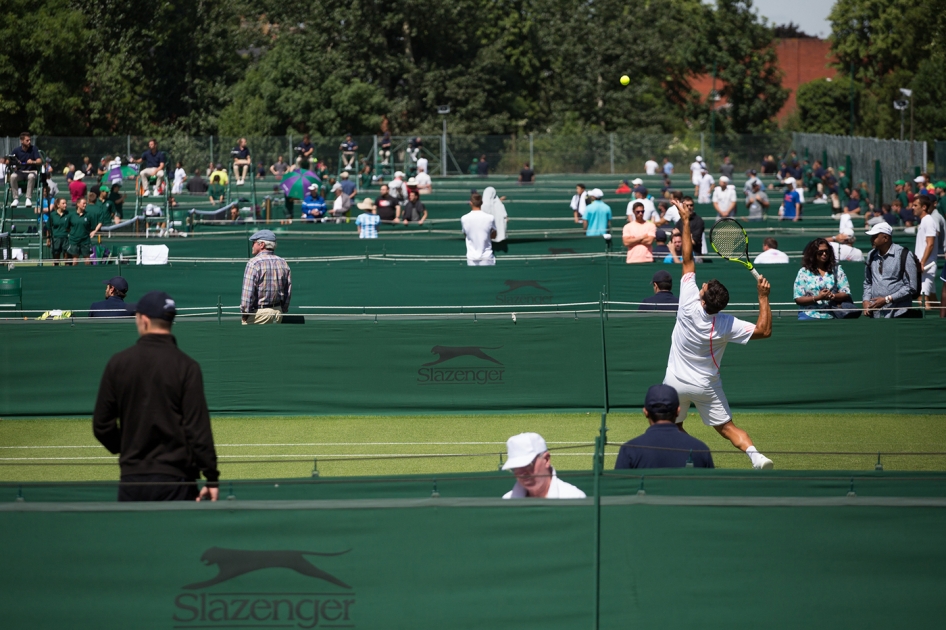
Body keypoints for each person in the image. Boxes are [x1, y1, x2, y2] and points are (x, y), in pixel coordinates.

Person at [663, 198, 774, 470]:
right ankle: (757, 457)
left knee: (670, 427)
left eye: (705, 285)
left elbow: (687, 258)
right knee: (727, 428)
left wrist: (685, 220)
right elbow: (764, 331)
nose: (703, 283)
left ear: (703, 298)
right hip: (705, 386)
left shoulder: (687, 301)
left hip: (675, 380)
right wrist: (763, 297)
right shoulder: (725, 323)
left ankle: (692, 455)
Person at [93, 291, 219, 502]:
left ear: (144, 320)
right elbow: (198, 430)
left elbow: (101, 425)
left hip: (133, 479)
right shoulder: (187, 367)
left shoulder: (118, 363)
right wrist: (211, 478)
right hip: (178, 480)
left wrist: (128, 445)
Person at [615, 384, 714, 469]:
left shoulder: (629, 450)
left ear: (645, 412)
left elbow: (618, 488)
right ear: (678, 411)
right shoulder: (701, 449)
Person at [501, 432, 585, 499]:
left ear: (546, 459)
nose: (522, 473)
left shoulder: (574, 498)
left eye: (528, 465)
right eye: (515, 468)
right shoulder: (506, 502)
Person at [862, 222, 920, 318]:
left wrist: (887, 299)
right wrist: (866, 300)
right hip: (876, 315)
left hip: (900, 314)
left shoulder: (904, 254)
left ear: (885, 238)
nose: (871, 240)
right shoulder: (871, 255)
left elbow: (911, 287)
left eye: (874, 236)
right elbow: (868, 282)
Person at [793, 238, 853, 320]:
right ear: (813, 254)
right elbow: (798, 298)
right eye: (820, 252)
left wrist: (832, 296)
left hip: (832, 316)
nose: (824, 254)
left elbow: (845, 292)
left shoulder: (837, 270)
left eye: (827, 251)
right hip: (808, 316)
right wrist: (818, 297)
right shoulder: (803, 272)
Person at [241, 230, 292, 325]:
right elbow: (287, 292)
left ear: (262, 245)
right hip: (278, 313)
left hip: (258, 314)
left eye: (254, 243)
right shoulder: (283, 262)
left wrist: (245, 314)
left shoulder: (253, 263)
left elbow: (247, 295)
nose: (252, 246)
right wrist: (282, 309)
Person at [913, 195, 940, 309]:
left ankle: (927, 323)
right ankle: (941, 320)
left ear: (923, 207)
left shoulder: (928, 221)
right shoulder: (925, 221)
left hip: (926, 266)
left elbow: (930, 244)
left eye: (915, 205)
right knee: (932, 298)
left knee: (922, 297)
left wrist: (922, 262)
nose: (912, 207)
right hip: (925, 266)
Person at [461, 192, 496, 266]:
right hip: (487, 258)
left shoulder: (464, 219)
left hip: (472, 259)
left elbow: (465, 234)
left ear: (471, 203)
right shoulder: (490, 218)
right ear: (482, 203)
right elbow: (494, 235)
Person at [9, 132, 42, 208]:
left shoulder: (34, 149)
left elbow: (40, 161)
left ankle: (28, 198)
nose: (29, 142)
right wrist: (14, 161)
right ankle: (16, 199)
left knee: (31, 176)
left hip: (31, 171)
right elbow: (8, 161)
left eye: (30, 140)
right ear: (22, 141)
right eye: (27, 140)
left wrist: (33, 161)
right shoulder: (16, 150)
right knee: (13, 176)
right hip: (20, 172)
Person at [66, 198, 95, 265]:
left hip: (85, 241)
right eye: (83, 203)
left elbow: (92, 228)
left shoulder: (89, 215)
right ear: (78, 204)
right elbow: (67, 227)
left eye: (86, 203)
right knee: (75, 260)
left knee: (87, 260)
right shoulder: (71, 215)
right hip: (74, 240)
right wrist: (74, 233)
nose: (85, 205)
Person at [47, 198, 71, 265]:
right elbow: (48, 227)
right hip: (56, 239)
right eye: (63, 203)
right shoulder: (53, 215)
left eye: (66, 203)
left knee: (67, 260)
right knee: (56, 260)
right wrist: (48, 238)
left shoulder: (69, 214)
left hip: (66, 239)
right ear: (58, 205)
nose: (65, 205)